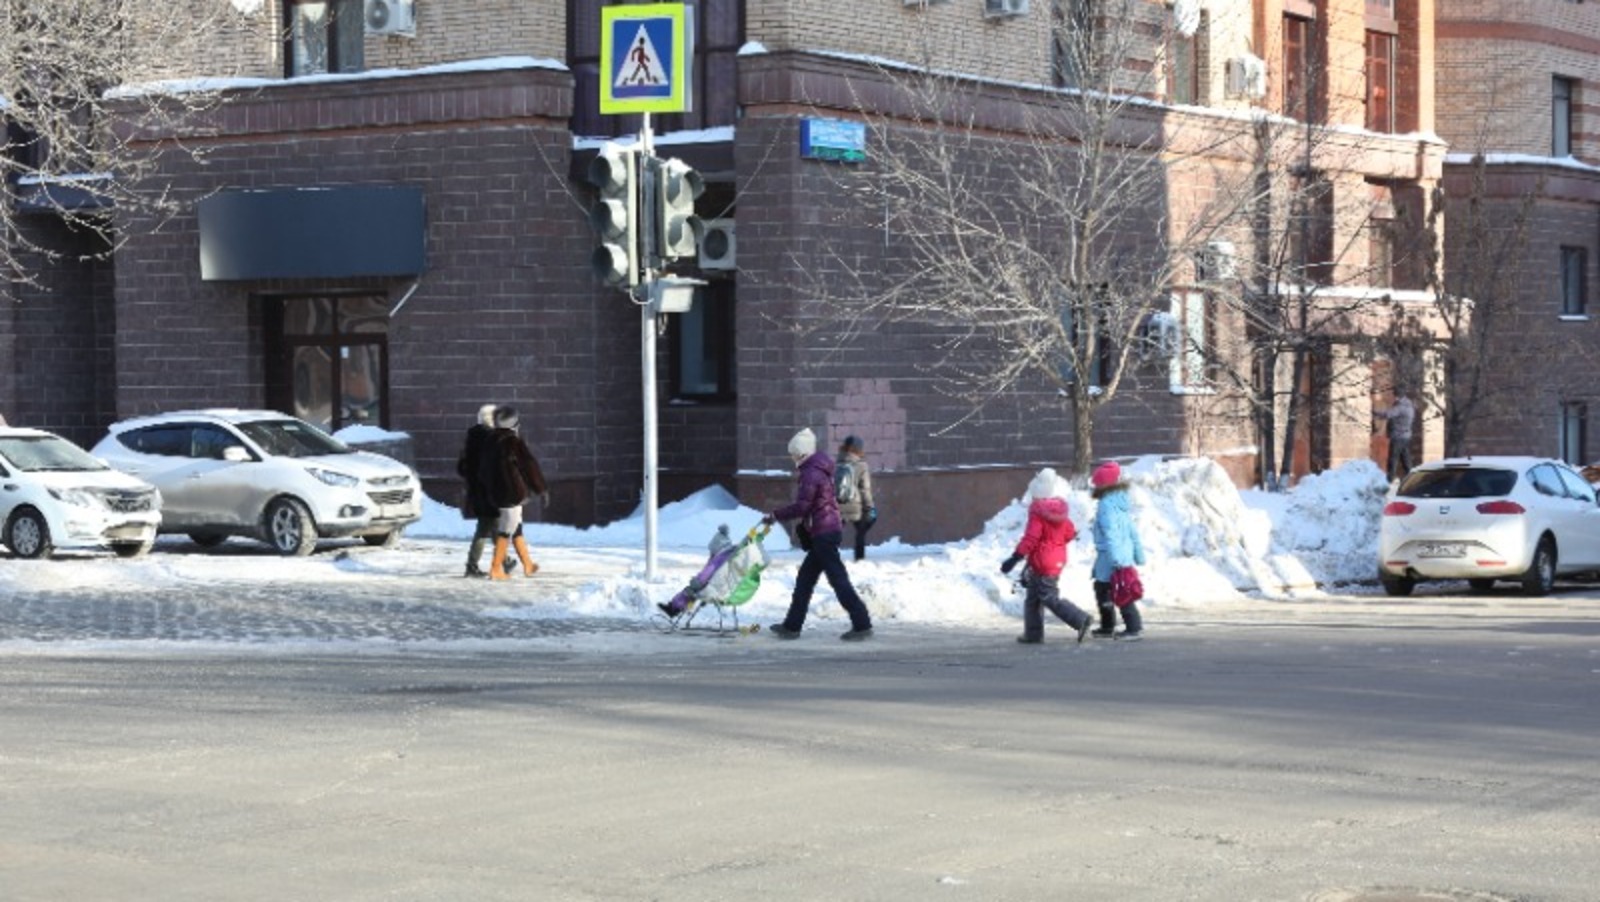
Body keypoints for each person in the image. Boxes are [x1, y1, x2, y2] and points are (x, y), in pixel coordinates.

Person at [763, 427, 875, 641]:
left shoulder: (811, 473)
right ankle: (792, 626)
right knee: (805, 579)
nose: (792, 457)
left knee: (838, 580)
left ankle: (862, 624)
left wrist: (775, 515)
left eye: (794, 453)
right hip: (826, 531)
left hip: (824, 533)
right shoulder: (817, 469)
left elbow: (802, 507)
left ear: (802, 453)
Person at [1001, 467, 1094, 645]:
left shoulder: (1037, 513)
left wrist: (1015, 557)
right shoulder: (1060, 513)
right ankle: (1033, 634)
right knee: (1033, 598)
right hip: (1054, 560)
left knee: (1048, 596)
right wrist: (1055, 544)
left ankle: (1080, 619)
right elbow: (1070, 533)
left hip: (1043, 562)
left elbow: (1031, 538)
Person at [479, 406, 550, 581]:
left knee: (516, 528)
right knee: (506, 531)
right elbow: (529, 467)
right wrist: (541, 489)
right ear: (514, 425)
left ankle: (528, 564)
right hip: (512, 494)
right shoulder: (513, 442)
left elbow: (483, 471)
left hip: (497, 495)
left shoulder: (490, 442)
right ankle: (496, 569)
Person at [1088, 461, 1146, 641]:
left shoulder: (1106, 505)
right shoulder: (1121, 502)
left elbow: (1110, 533)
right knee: (1107, 587)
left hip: (1110, 555)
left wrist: (1115, 558)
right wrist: (1138, 554)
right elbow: (1132, 532)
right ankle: (1109, 625)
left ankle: (1132, 627)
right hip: (1122, 553)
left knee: (1117, 589)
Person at [455, 403, 501, 578]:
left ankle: (504, 561)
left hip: (477, 491)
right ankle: (472, 566)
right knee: (485, 529)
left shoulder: (472, 438)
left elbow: (462, 467)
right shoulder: (492, 439)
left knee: (493, 527)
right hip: (490, 492)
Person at [835, 435, 877, 562]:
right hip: (855, 505)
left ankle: (827, 558)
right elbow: (865, 489)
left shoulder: (837, 463)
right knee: (861, 532)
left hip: (838, 503)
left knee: (833, 534)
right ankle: (859, 560)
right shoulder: (861, 466)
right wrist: (870, 507)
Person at [1375, 392, 1416, 481]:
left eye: (1393, 396)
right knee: (1406, 459)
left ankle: (1389, 480)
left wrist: (1374, 412)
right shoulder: (1409, 406)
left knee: (1393, 459)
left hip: (1398, 436)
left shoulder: (1401, 407)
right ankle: (1412, 479)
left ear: (1397, 396)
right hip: (1405, 436)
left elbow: (1388, 414)